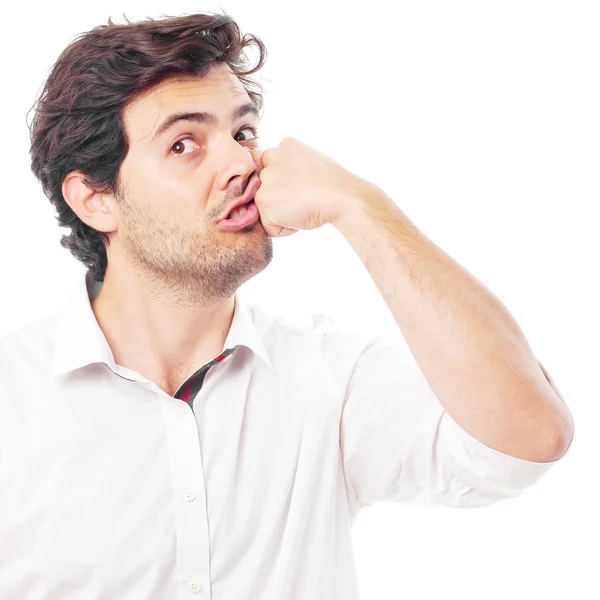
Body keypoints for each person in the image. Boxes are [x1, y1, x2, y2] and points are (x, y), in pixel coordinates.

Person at [0, 10, 573, 599]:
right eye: (184, 144)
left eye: (243, 133)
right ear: (96, 200)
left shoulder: (328, 378)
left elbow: (529, 437)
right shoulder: (11, 402)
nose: (242, 165)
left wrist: (358, 206)